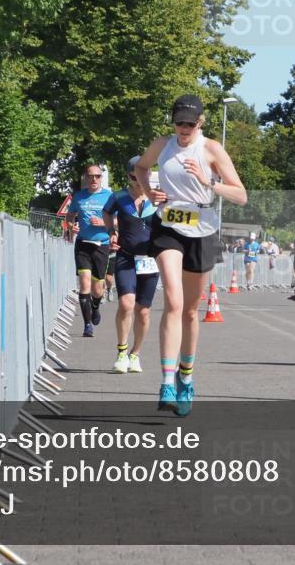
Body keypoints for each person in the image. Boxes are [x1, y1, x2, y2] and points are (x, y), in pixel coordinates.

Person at [135, 95, 247, 416]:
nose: (183, 129)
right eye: (178, 122)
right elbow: (142, 167)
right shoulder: (162, 144)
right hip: (169, 224)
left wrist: (208, 181)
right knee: (173, 300)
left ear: (200, 122)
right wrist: (148, 190)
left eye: (189, 123)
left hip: (203, 227)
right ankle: (167, 381)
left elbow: (240, 194)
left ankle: (186, 375)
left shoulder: (211, 150)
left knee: (190, 311)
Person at [103, 156, 160, 375]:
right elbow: (107, 213)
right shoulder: (118, 197)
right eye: (134, 176)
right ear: (128, 175)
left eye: (143, 175)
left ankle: (135, 355)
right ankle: (121, 352)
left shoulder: (159, 197)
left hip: (150, 260)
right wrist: (111, 231)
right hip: (126, 257)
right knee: (126, 304)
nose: (139, 180)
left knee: (143, 312)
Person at [66, 164, 113, 337]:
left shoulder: (109, 196)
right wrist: (71, 226)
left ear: (101, 178)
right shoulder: (79, 197)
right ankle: (87, 325)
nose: (94, 179)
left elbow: (118, 220)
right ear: (86, 178)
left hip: (102, 244)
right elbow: (70, 216)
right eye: (90, 176)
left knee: (97, 289)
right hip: (83, 244)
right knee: (84, 283)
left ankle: (95, 307)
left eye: (97, 176)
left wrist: (103, 223)